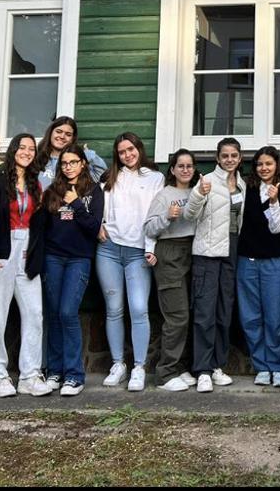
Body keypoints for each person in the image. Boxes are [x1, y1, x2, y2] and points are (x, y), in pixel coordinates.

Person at [0, 133, 51, 398]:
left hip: (27, 250)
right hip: (2, 248)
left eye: (31, 148)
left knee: (34, 313)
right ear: (13, 150)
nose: (27, 152)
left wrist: (35, 255)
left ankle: (30, 375)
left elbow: (39, 223)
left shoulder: (35, 185)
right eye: (22, 147)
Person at [97, 132, 162, 392]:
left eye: (131, 149)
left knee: (138, 308)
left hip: (138, 252)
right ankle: (118, 364)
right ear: (117, 155)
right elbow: (99, 209)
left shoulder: (154, 177)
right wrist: (97, 225)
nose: (127, 155)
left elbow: (156, 214)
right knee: (113, 308)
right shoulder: (109, 179)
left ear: (139, 149)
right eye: (122, 151)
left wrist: (152, 247)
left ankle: (138, 366)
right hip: (109, 250)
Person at [184, 137, 244, 393]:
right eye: (225, 156)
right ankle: (202, 369)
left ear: (239, 158)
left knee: (223, 311)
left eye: (234, 155)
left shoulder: (241, 183)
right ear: (218, 158)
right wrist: (198, 194)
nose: (229, 159)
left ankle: (217, 365)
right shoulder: (206, 181)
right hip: (207, 254)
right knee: (204, 313)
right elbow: (189, 214)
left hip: (231, 251)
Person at [42, 148, 104, 396]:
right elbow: (45, 226)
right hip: (53, 257)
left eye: (73, 162)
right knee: (55, 314)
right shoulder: (52, 191)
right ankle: (54, 372)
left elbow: (93, 227)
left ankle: (74, 375)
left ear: (83, 164)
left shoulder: (93, 191)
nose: (68, 167)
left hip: (79, 259)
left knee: (68, 312)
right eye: (64, 163)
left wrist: (76, 203)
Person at [236, 145, 280, 387]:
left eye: (268, 164)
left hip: (274, 260)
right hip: (247, 260)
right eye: (260, 164)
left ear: (276, 166)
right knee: (251, 316)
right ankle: (261, 365)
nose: (264, 168)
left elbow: (278, 226)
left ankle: (279, 366)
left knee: (275, 316)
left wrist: (273, 200)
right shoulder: (247, 188)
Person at [143, 150, 199, 392]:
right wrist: (166, 217)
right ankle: (165, 372)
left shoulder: (197, 193)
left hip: (193, 251)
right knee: (176, 316)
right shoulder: (164, 195)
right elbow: (148, 229)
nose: (185, 170)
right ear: (173, 169)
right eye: (180, 166)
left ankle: (181, 367)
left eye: (189, 166)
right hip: (170, 253)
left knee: (189, 312)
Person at [36, 116, 108, 190]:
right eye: (58, 131)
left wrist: (87, 155)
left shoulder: (79, 162)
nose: (62, 136)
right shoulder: (37, 159)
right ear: (51, 132)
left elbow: (102, 175)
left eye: (68, 134)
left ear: (73, 138)